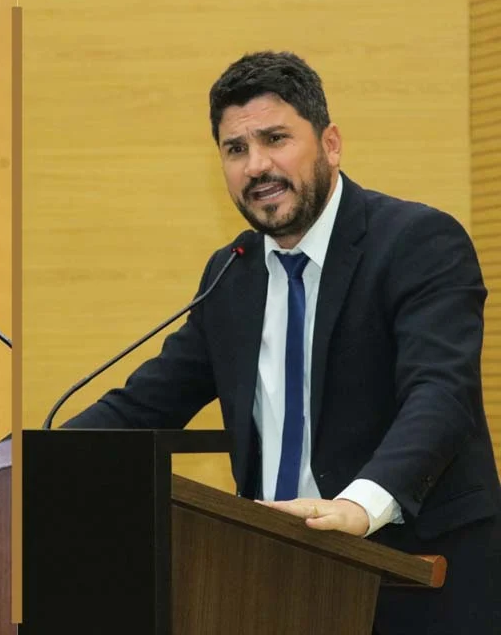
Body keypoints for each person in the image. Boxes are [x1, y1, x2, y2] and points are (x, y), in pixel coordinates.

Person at [63, 51, 501, 633]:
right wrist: (21, 462)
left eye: (275, 139)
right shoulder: (232, 273)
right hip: (276, 584)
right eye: (235, 149)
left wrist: (357, 505)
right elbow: (143, 405)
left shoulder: (417, 242)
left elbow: (439, 394)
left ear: (331, 145)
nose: (257, 166)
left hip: (417, 581)